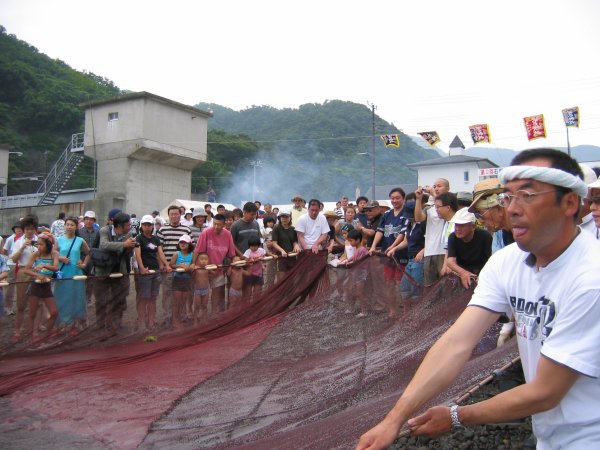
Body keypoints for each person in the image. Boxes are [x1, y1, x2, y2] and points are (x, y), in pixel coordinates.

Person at [355, 148, 600, 450]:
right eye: (508, 196)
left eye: (528, 195)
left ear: (570, 203)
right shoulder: (506, 262)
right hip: (550, 434)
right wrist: (393, 419)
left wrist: (457, 416)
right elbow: (457, 342)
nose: (512, 208)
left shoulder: (591, 279)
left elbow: (545, 391)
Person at [94, 212, 136, 334]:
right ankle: (100, 326)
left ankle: (116, 325)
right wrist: (124, 244)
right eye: (128, 225)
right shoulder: (104, 230)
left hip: (120, 271)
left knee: (120, 299)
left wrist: (129, 248)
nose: (130, 227)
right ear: (120, 225)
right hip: (103, 271)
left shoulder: (128, 234)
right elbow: (103, 245)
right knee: (101, 300)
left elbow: (128, 254)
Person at [193, 214, 236, 314]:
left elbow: (231, 254)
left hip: (219, 268)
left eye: (219, 225)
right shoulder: (206, 232)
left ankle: (213, 313)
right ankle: (198, 315)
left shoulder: (228, 234)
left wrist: (230, 266)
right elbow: (197, 250)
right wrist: (193, 265)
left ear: (224, 224)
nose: (216, 227)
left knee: (216, 292)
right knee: (200, 294)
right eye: (214, 224)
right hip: (203, 268)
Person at [21, 232, 59, 344]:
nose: (38, 247)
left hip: (47, 285)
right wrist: (37, 275)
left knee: (54, 312)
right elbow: (27, 270)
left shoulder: (54, 254)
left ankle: (47, 336)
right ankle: (30, 338)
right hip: (36, 285)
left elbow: (56, 268)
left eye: (41, 244)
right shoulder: (36, 254)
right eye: (37, 244)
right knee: (32, 312)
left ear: (48, 245)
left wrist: (44, 265)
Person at [54, 216, 90, 334]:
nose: (69, 227)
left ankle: (74, 324)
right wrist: (60, 258)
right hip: (62, 273)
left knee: (76, 298)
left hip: (76, 273)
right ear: (64, 226)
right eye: (67, 224)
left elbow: (89, 253)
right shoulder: (58, 240)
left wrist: (84, 264)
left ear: (76, 227)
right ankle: (62, 323)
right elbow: (51, 256)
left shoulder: (80, 240)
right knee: (62, 298)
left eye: (72, 225)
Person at [135, 215, 170, 332]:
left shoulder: (156, 239)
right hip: (145, 271)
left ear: (152, 226)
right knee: (143, 297)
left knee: (153, 297)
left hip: (155, 270)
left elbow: (160, 253)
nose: (147, 227)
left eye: (149, 225)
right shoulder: (138, 238)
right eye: (145, 225)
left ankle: (151, 320)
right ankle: (141, 322)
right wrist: (142, 268)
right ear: (142, 226)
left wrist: (166, 264)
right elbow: (137, 255)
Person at [414, 178, 451, 286]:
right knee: (429, 286)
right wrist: (418, 199)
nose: (436, 188)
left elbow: (445, 209)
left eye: (439, 186)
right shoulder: (429, 209)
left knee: (445, 285)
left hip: (444, 252)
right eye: (434, 186)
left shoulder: (451, 206)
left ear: (448, 189)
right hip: (430, 252)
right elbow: (418, 218)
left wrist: (434, 194)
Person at [157, 205, 192, 317]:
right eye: (171, 214)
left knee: (182, 293)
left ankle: (180, 316)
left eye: (176, 214)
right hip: (168, 268)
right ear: (168, 215)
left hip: (183, 269)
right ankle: (168, 317)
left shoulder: (186, 230)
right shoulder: (162, 230)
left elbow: (192, 248)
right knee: (167, 293)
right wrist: (162, 265)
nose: (174, 216)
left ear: (180, 214)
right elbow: (158, 250)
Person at [10, 214, 39, 342]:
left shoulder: (40, 240)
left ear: (35, 229)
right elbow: (13, 259)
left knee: (37, 304)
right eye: (27, 229)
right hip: (23, 271)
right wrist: (22, 247)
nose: (29, 231)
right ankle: (17, 331)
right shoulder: (18, 242)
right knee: (21, 304)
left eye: (32, 229)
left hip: (37, 270)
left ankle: (34, 331)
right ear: (23, 229)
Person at [446, 208, 492, 289]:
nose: (457, 228)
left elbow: (491, 260)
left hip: (482, 274)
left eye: (462, 225)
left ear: (473, 226)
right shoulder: (453, 237)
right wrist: (463, 273)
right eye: (456, 225)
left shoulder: (485, 236)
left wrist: (483, 276)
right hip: (461, 273)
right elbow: (450, 261)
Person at [468, 178, 514, 253]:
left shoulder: (525, 230)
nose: (480, 221)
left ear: (499, 208)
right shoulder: (500, 233)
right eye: (476, 215)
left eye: (480, 214)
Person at [343, 229, 370, 317]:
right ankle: (352, 308)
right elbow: (354, 257)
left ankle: (364, 311)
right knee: (351, 290)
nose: (350, 242)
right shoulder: (357, 248)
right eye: (349, 240)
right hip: (356, 272)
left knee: (360, 292)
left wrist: (351, 263)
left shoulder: (362, 249)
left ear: (358, 240)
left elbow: (360, 261)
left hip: (361, 273)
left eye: (351, 240)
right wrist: (347, 260)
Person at [170, 234, 195, 328]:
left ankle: (182, 318)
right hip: (178, 279)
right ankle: (175, 320)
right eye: (181, 242)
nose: (183, 244)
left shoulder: (192, 255)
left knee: (185, 299)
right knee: (177, 300)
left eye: (185, 243)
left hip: (188, 280)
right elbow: (171, 264)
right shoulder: (177, 253)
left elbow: (193, 264)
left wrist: (192, 266)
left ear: (189, 244)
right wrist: (180, 265)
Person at [2, 222, 23, 316]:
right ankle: (7, 307)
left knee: (22, 286)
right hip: (12, 264)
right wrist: (9, 260)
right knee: (10, 287)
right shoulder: (10, 239)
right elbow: (4, 251)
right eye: (16, 228)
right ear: (14, 229)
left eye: (20, 228)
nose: (18, 230)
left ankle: (21, 306)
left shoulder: (24, 239)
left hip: (22, 264)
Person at [270, 209, 300, 274]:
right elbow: (274, 243)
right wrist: (282, 250)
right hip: (281, 257)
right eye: (282, 217)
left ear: (290, 218)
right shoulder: (276, 228)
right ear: (279, 218)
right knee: (282, 277)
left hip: (292, 256)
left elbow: (294, 241)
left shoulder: (293, 229)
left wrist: (296, 246)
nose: (284, 219)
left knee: (292, 277)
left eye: (286, 217)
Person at [193, 252, 210, 323]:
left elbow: (215, 272)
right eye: (201, 259)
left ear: (208, 260)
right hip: (198, 291)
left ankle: (204, 319)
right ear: (197, 260)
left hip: (206, 290)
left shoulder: (207, 269)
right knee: (197, 306)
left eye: (206, 259)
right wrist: (193, 268)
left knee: (204, 306)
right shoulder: (196, 269)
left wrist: (216, 267)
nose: (204, 261)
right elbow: (191, 275)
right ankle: (195, 320)